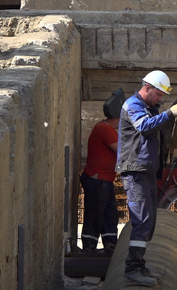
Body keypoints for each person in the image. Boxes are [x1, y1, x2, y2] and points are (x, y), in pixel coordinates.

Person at [116, 70, 177, 286]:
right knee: (141, 219)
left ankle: (139, 264)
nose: (160, 99)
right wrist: (169, 114)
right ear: (147, 87)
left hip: (145, 171)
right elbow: (145, 127)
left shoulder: (148, 108)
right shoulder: (133, 105)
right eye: (158, 94)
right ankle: (133, 268)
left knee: (149, 220)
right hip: (135, 171)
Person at [80, 89, 125, 254]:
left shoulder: (108, 129)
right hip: (97, 179)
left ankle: (110, 244)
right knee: (95, 213)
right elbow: (121, 150)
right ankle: (89, 247)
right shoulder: (104, 129)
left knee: (110, 214)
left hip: (104, 180)